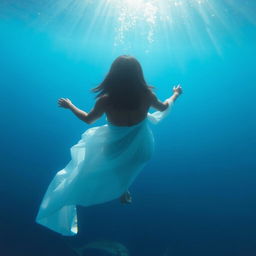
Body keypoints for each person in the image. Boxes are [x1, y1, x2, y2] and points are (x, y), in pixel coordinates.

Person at [36, 55, 182, 236]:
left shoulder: (106, 100)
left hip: (114, 147)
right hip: (142, 147)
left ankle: (122, 189)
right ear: (138, 74)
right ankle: (123, 189)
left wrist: (71, 106)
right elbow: (163, 107)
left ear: (112, 75)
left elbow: (88, 119)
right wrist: (175, 94)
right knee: (127, 162)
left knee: (97, 164)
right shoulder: (147, 95)